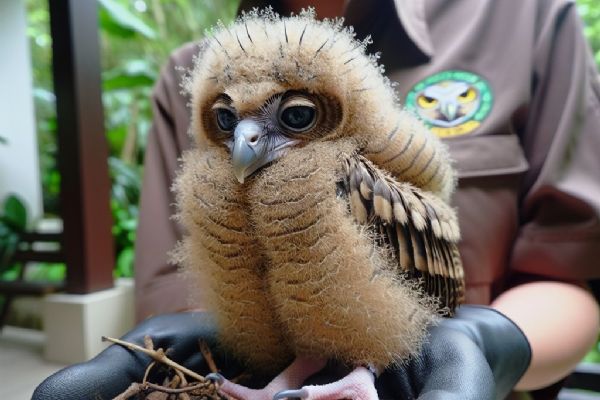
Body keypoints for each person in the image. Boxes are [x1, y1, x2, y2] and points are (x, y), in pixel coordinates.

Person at [33, 0, 600, 399]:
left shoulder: (524, 18)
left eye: (295, 116)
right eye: (228, 120)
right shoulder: (192, 70)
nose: (245, 139)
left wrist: (486, 343)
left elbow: (567, 271)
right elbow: (188, 299)